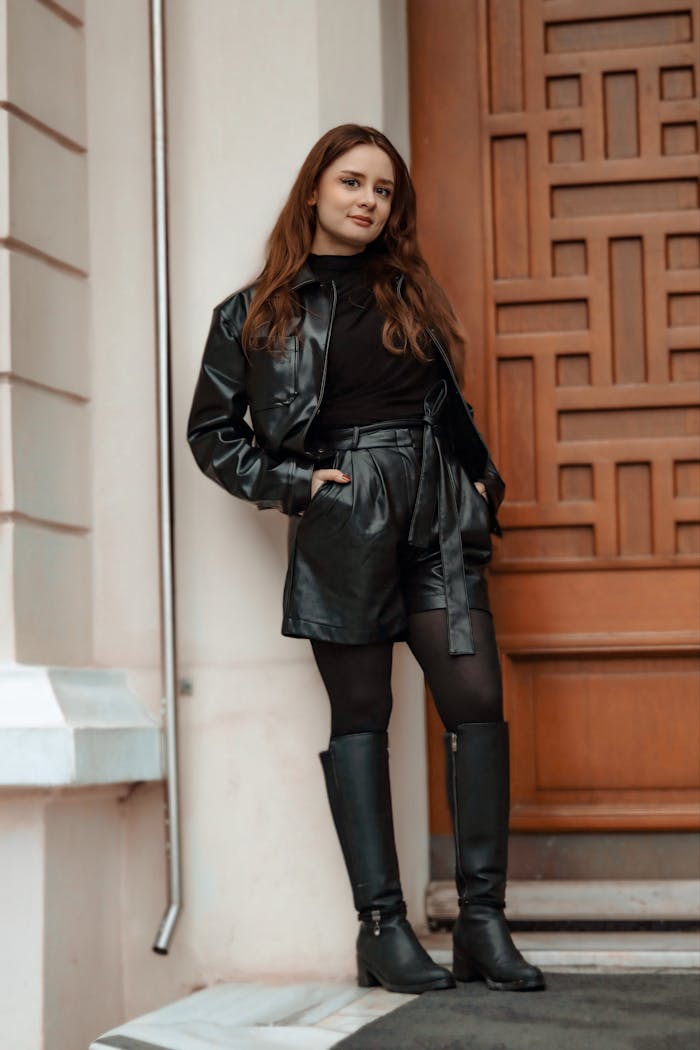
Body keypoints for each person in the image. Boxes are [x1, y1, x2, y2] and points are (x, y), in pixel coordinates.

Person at [187, 123, 545, 995]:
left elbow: (444, 405)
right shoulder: (251, 314)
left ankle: (483, 922)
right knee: (363, 714)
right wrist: (296, 486)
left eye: (383, 190)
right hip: (346, 516)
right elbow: (211, 433)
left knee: (475, 701)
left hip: (436, 510)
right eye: (352, 182)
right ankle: (382, 928)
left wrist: (480, 485)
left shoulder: (409, 293)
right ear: (315, 188)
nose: (368, 201)